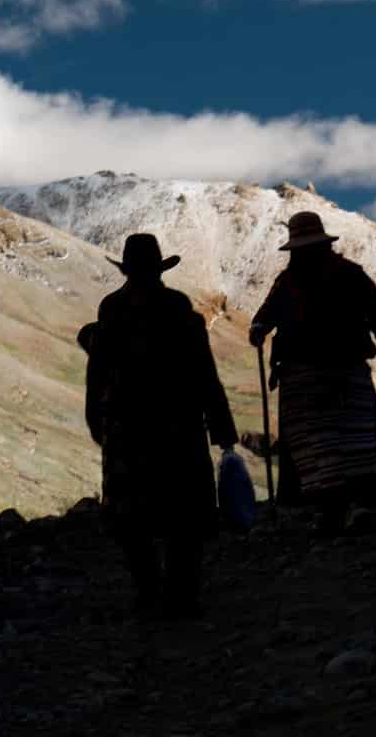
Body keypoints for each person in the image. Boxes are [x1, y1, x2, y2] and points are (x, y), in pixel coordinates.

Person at [78, 233, 237, 617]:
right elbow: (204, 373)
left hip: (126, 428)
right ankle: (181, 595)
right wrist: (222, 427)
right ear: (159, 268)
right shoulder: (179, 309)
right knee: (185, 513)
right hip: (178, 425)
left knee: (132, 515)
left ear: (127, 270)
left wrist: (97, 421)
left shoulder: (112, 310)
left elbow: (97, 372)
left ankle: (147, 592)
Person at [248, 211, 376, 525]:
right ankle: (353, 506)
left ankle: (329, 509)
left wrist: (258, 329)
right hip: (344, 372)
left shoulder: (288, 281)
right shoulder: (350, 274)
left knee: (317, 445)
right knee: (353, 440)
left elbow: (264, 316)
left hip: (304, 379)